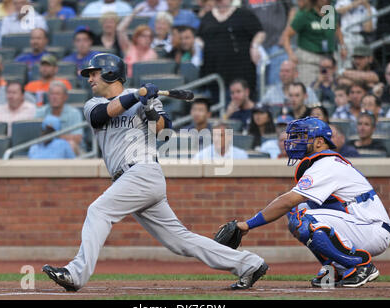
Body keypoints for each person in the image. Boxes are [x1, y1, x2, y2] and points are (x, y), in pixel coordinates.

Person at [41, 53, 267, 292]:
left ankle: (76, 273)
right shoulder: (93, 104)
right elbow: (102, 115)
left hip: (142, 172)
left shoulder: (146, 100)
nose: (90, 79)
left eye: (94, 73)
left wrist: (150, 111)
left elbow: (163, 131)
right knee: (180, 241)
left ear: (110, 73)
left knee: (98, 210)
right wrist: (137, 96)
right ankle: (249, 264)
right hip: (129, 179)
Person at [226, 117, 390, 288]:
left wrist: (248, 225)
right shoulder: (324, 163)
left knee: (301, 218)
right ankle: (336, 268)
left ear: (320, 142)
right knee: (297, 211)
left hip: (370, 228)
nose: (294, 141)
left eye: (301, 136)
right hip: (360, 224)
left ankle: (361, 265)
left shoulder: (327, 164)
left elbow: (286, 201)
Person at [198, 0, 264, 102]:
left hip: (240, 70)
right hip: (214, 70)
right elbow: (199, 37)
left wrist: (254, 46)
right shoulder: (207, 17)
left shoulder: (243, 14)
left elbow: (260, 32)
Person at [282, 0, 347, 87]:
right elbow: (286, 35)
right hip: (309, 59)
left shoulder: (330, 11)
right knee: (309, 87)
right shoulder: (305, 14)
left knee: (332, 87)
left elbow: (337, 28)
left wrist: (342, 46)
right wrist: (290, 54)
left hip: (328, 59)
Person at [35, 81, 84, 155]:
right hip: (46, 148)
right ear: (48, 96)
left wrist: (52, 135)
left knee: (71, 144)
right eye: (52, 94)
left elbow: (77, 139)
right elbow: (34, 137)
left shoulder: (74, 113)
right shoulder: (40, 112)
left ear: (65, 97)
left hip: (69, 150)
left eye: (58, 94)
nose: (54, 97)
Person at [250, 0, 292, 86]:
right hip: (256, 47)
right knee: (259, 86)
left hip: (278, 45)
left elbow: (293, 10)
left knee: (276, 85)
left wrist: (286, 33)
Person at [335, 0, 377, 67]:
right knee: (344, 64)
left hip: (359, 37)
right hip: (344, 36)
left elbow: (368, 29)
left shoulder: (371, 9)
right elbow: (336, 11)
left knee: (357, 64)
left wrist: (367, 7)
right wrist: (355, 4)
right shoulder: (343, 1)